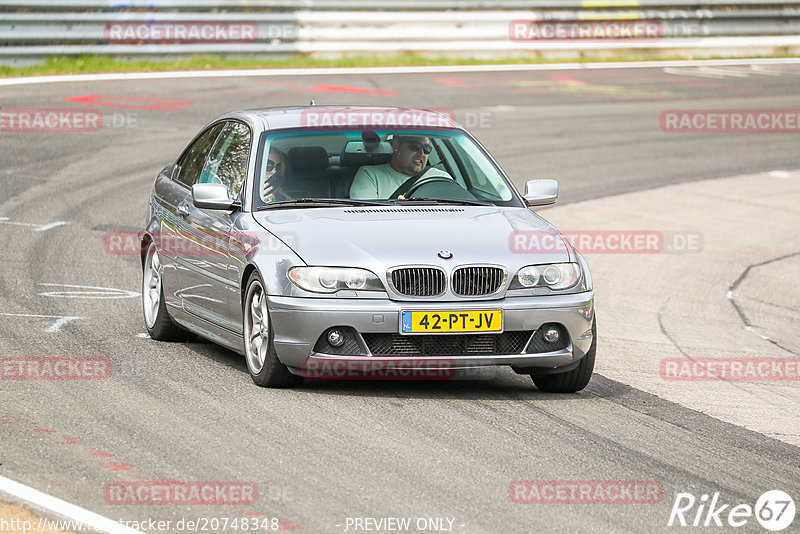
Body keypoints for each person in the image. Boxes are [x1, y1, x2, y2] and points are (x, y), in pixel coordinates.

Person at [349, 135, 451, 199]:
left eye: (426, 149)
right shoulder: (370, 174)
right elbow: (365, 216)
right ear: (396, 146)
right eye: (415, 147)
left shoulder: (441, 178)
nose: (421, 153)